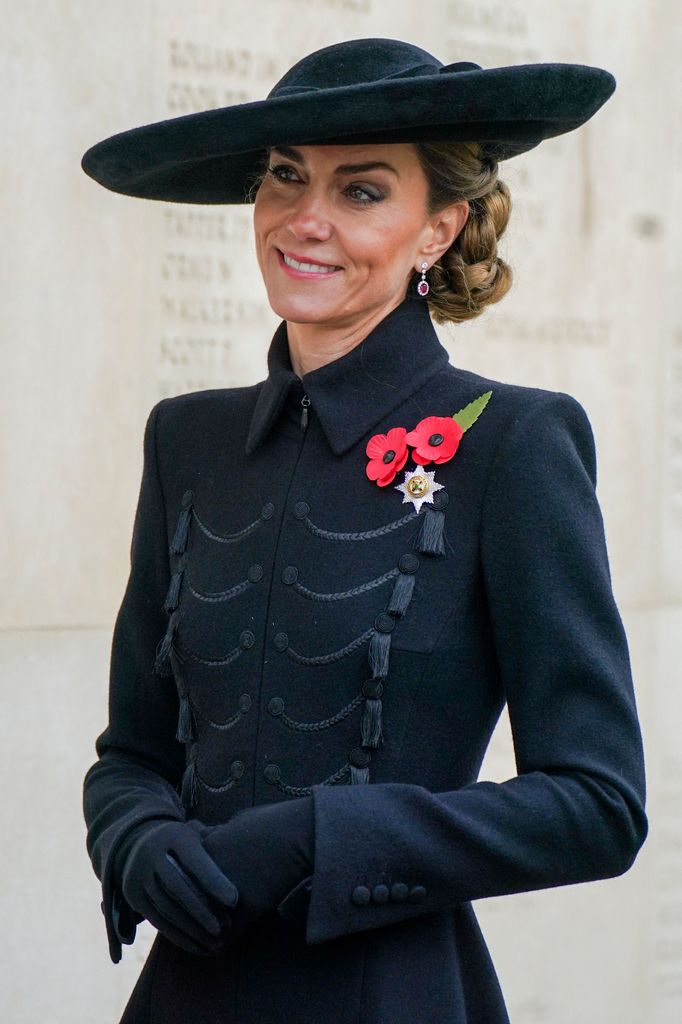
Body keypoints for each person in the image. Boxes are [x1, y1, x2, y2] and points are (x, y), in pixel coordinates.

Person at [81, 37, 648, 1024]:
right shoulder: (187, 440)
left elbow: (597, 805)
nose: (304, 220)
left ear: (438, 228)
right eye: (286, 177)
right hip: (188, 995)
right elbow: (131, 749)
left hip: (393, 994)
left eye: (361, 191)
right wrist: (133, 839)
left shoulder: (514, 443)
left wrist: (318, 839)